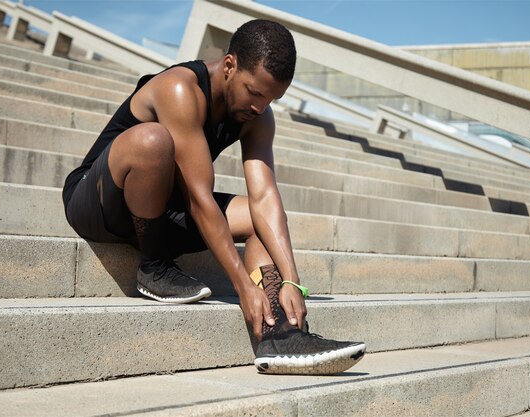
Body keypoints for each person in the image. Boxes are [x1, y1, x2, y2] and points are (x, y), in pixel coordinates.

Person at [62, 19, 365, 375]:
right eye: (254, 92)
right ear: (229, 66)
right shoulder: (180, 88)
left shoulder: (259, 116)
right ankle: (153, 266)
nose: (260, 106)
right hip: (99, 202)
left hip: (165, 211)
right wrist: (240, 284)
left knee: (258, 220)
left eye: (271, 98)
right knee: (153, 141)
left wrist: (290, 280)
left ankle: (281, 336)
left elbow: (265, 196)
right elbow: (199, 196)